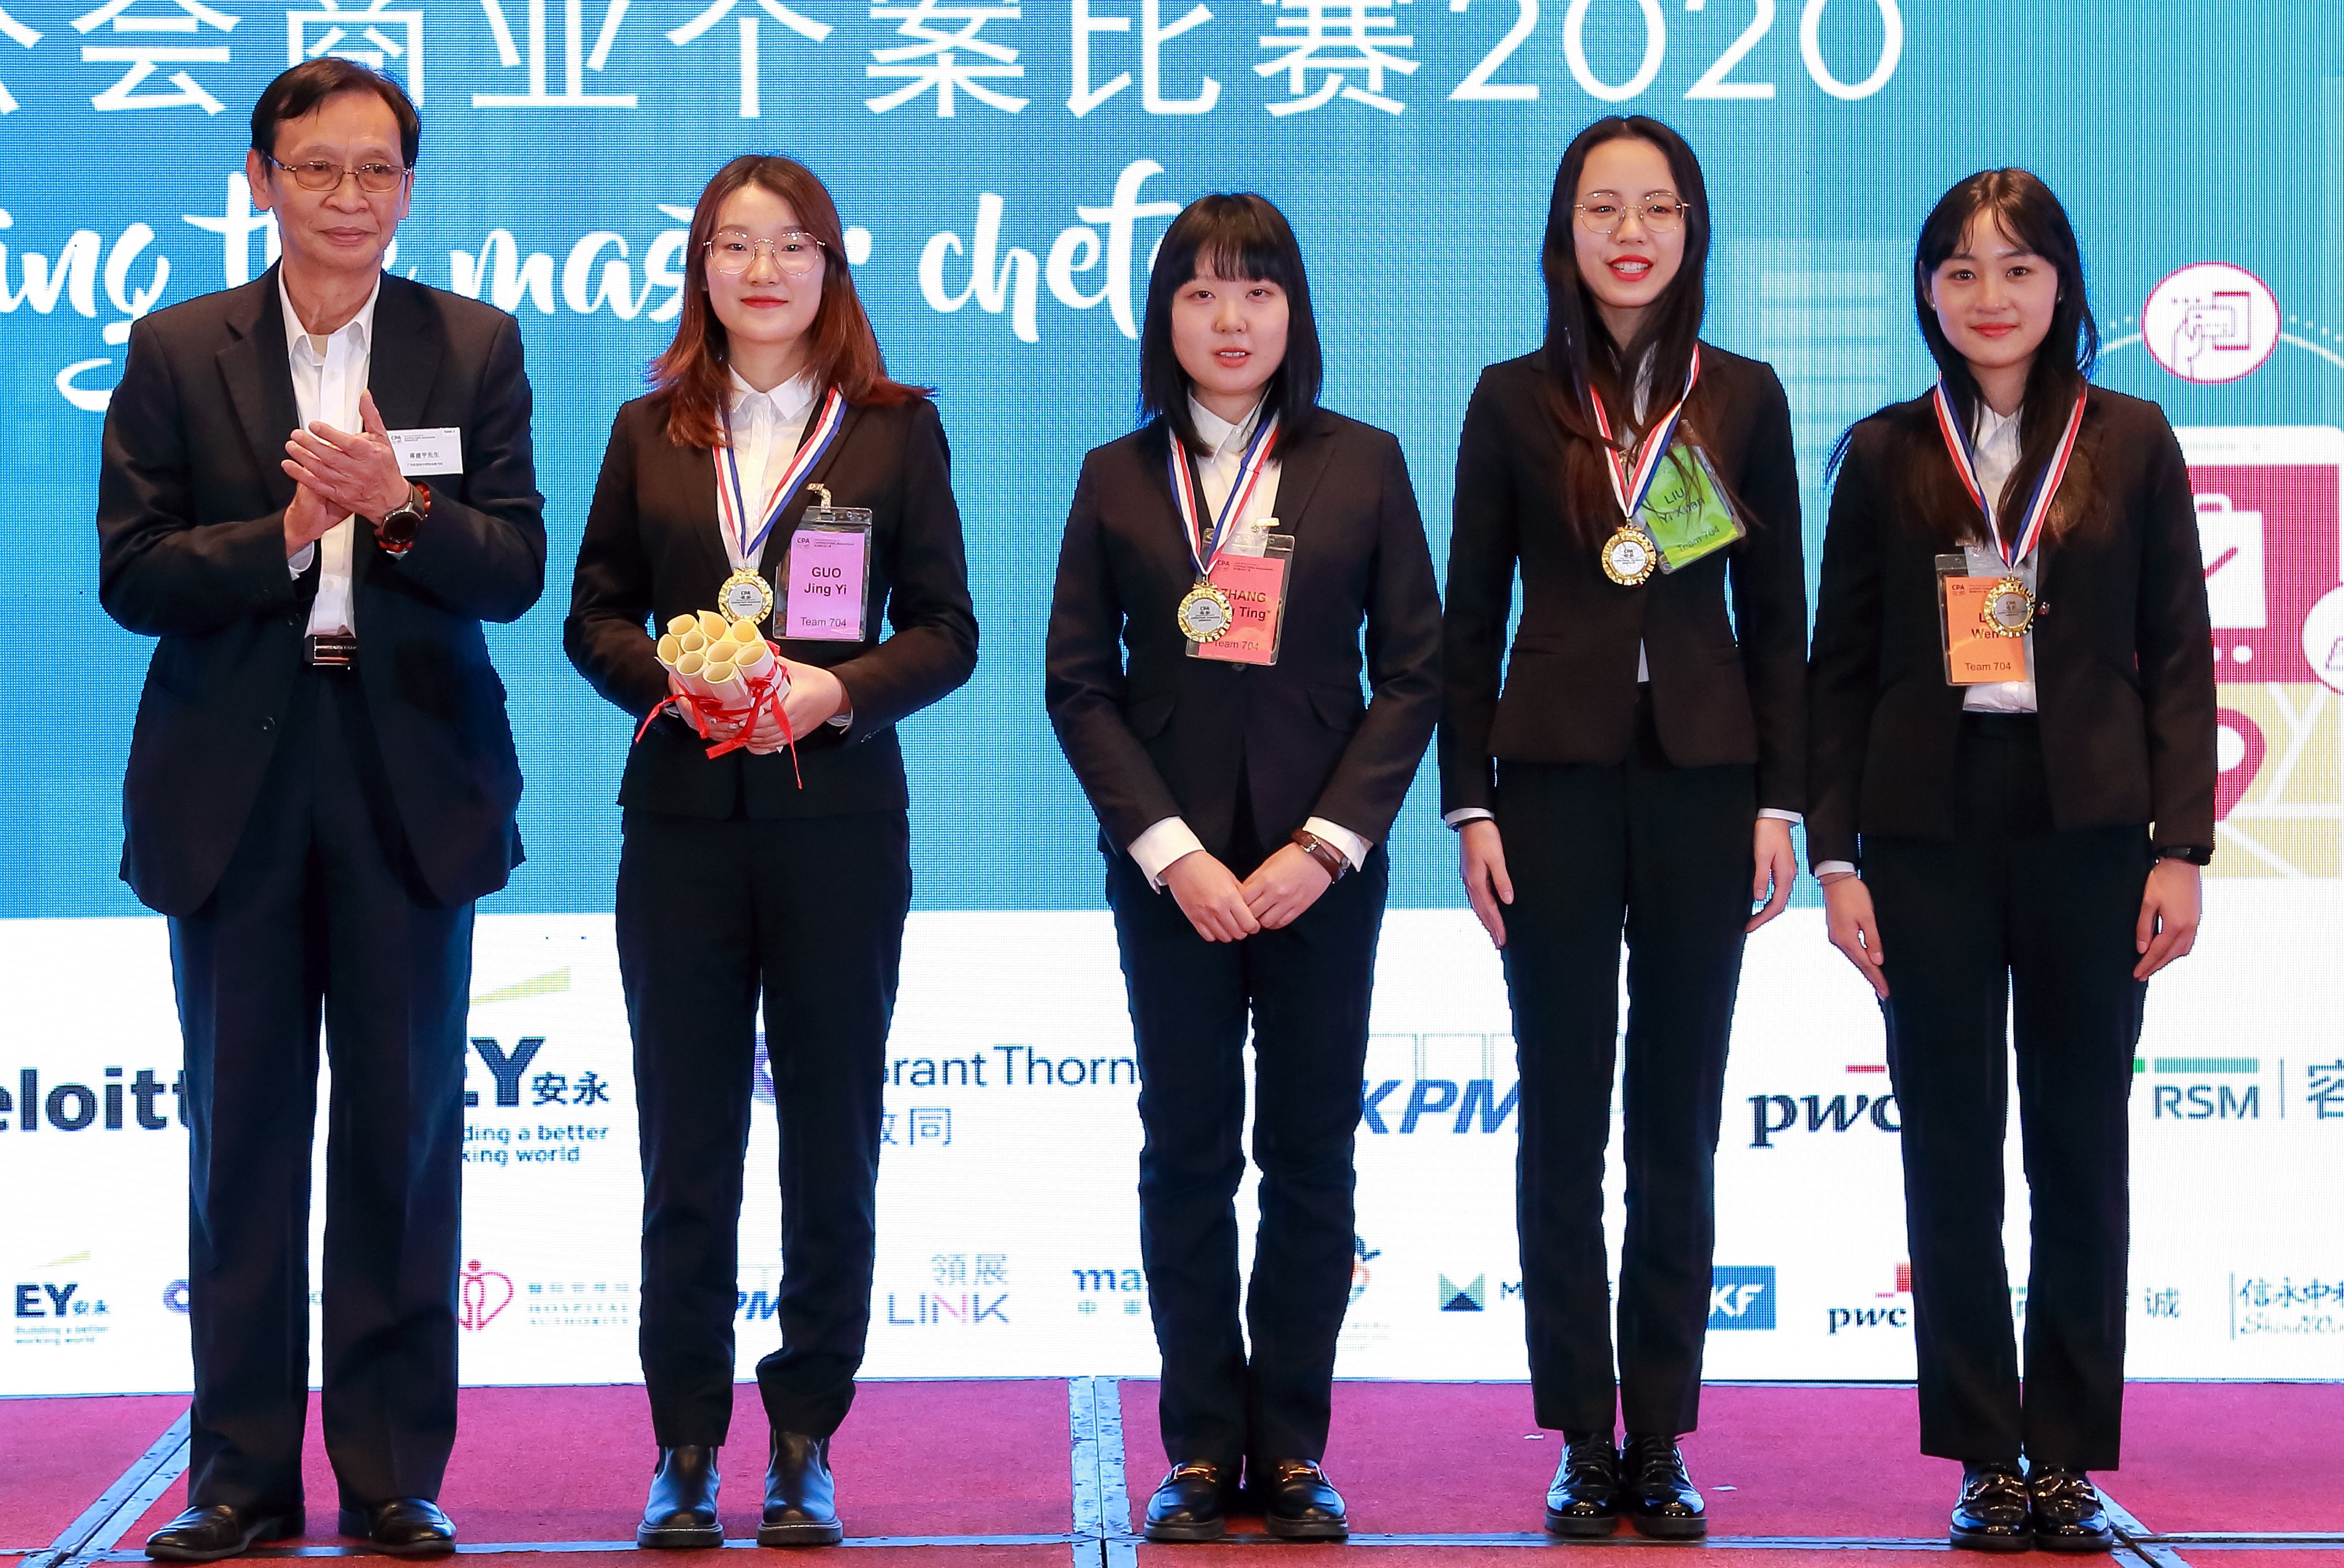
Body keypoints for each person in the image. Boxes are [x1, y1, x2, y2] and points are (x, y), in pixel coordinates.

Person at [98, 59, 545, 1561]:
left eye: (376, 170)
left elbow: (514, 569)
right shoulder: (180, 348)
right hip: (233, 784)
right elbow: (133, 574)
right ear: (261, 179)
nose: (348, 197)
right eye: (316, 169)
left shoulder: (470, 344)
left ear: (409, 187)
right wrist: (290, 528)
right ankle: (238, 1476)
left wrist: (396, 506)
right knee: (240, 1140)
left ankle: (392, 1473)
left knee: (401, 1136)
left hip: (409, 777)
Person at [564, 154, 976, 1550]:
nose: (762, 269)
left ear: (830, 268)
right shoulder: (649, 429)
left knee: (832, 1139)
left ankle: (805, 1438)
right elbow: (594, 614)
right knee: (686, 1145)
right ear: (701, 267)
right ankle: (684, 1443)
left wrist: (835, 690)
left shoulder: (894, 431)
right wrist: (671, 681)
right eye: (734, 244)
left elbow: (948, 631)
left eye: (791, 244)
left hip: (838, 829)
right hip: (681, 828)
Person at [1806, 168, 2212, 1551]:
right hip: (1924, 829)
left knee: (2080, 1143)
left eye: (2018, 268)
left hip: (2091, 827)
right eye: (1961, 270)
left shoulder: (2131, 438)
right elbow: (1838, 668)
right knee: (1950, 1142)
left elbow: (2179, 652)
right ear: (1927, 291)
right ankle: (1987, 1452)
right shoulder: (1883, 452)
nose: (1990, 296)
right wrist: (1836, 861)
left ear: (2061, 286)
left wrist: (2181, 846)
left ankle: (2070, 1451)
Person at [1045, 193, 1440, 1543]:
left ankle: (1295, 1448)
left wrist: (1327, 844)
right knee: (1187, 1151)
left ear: (1293, 312)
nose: (1230, 319)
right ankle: (1202, 1446)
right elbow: (1078, 683)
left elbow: (1415, 671)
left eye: (1257, 291)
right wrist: (1171, 852)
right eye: (1201, 292)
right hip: (1176, 878)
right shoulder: (1115, 475)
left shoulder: (1363, 462)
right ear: (1163, 316)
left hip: (1320, 872)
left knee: (1311, 1155)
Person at [1438, 116, 1806, 1540]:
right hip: (1550, 783)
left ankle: (1659, 1432)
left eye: (1657, 206)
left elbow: (1778, 617)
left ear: (1692, 228)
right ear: (1566, 231)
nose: (1631, 231)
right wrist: (1470, 798)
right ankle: (1581, 1435)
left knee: (1677, 1118)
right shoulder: (1511, 398)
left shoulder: (1746, 396)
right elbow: (1470, 613)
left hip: (1708, 783)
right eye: (1604, 207)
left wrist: (1779, 798)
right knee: (1561, 1113)